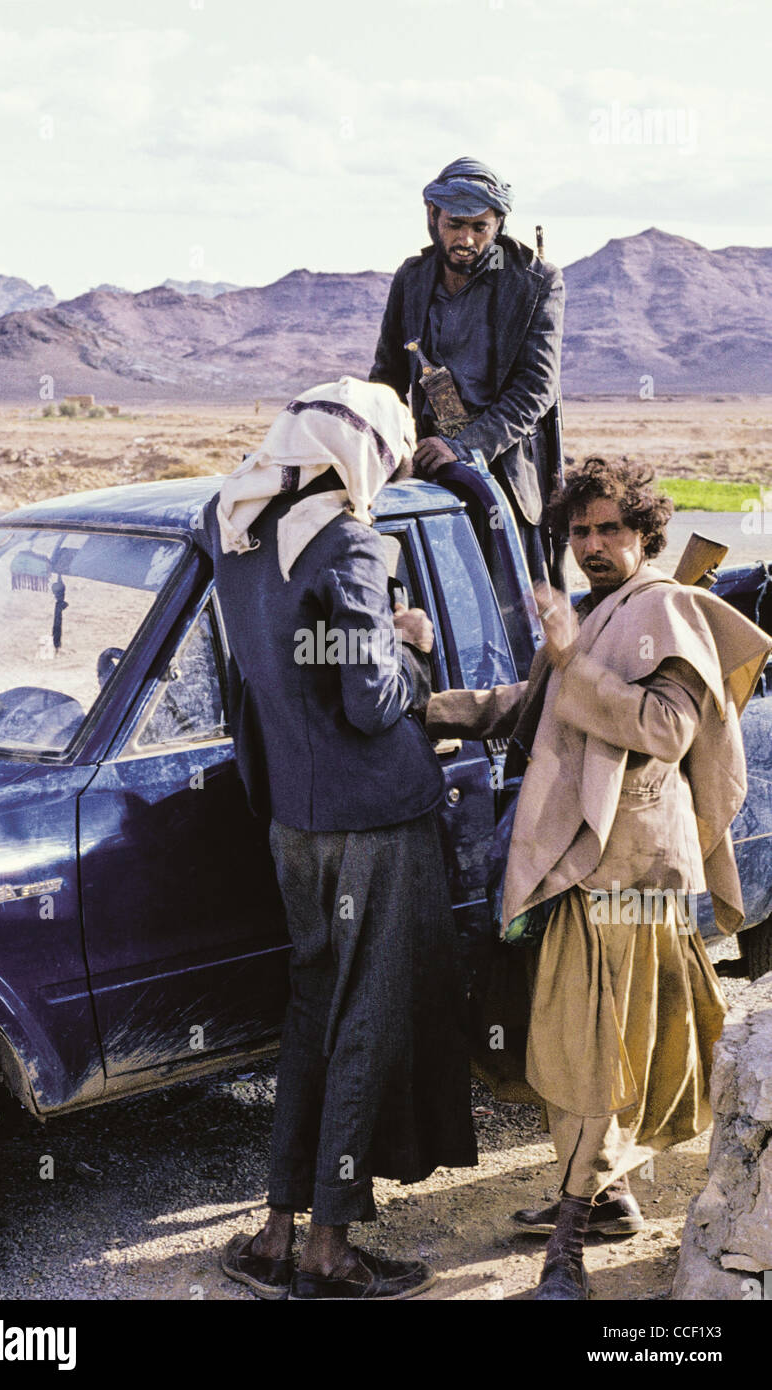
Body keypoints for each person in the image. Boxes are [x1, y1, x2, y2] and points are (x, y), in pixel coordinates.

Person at [424, 457, 772, 1300]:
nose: (590, 545)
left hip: (629, 873)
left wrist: (573, 658)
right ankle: (608, 1196)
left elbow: (661, 727)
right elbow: (538, 702)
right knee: (568, 1045)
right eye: (577, 531)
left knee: (588, 1059)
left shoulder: (669, 609)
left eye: (608, 528)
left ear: (644, 533)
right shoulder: (596, 614)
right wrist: (430, 710)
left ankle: (567, 1251)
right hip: (570, 869)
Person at [203, 376, 477, 1301]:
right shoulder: (351, 545)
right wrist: (411, 644)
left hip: (294, 821)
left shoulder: (231, 529)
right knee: (369, 1017)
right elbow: (370, 703)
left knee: (313, 1014)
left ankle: (275, 1232)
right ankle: (329, 1246)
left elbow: (273, 669)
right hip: (375, 822)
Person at [370, 155, 564, 583]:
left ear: (498, 225)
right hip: (429, 477)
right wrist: (373, 444)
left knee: (513, 616)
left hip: (504, 480)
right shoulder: (412, 278)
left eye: (480, 227)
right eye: (456, 224)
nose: (467, 239)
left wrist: (463, 448)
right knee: (433, 611)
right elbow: (387, 378)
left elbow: (536, 388)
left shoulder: (534, 281)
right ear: (433, 216)